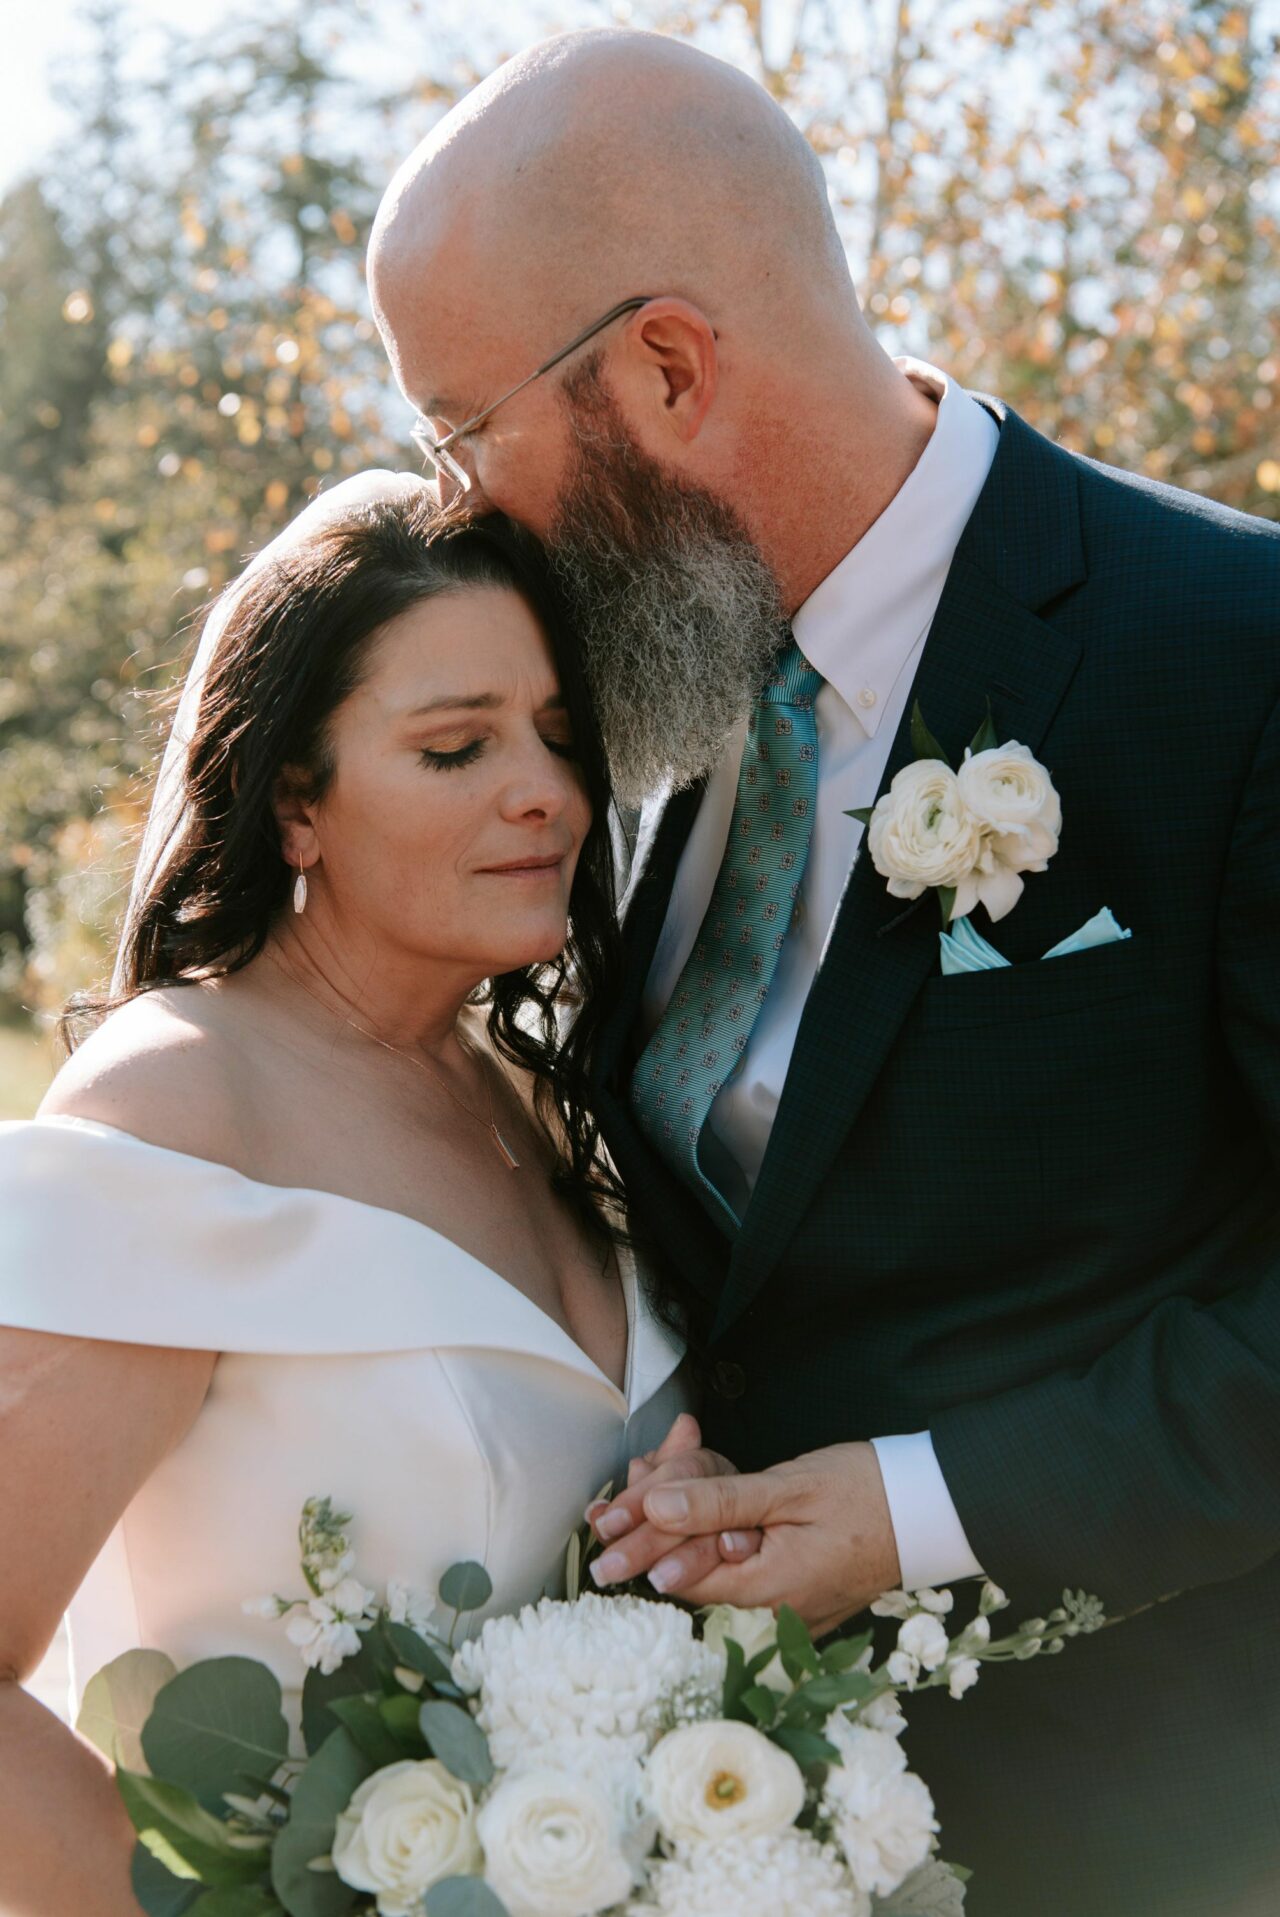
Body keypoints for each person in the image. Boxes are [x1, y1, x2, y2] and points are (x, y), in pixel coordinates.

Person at [365, 28, 1280, 1916]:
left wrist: (923, 1504)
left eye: (462, 432)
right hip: (705, 1824)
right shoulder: (614, 694)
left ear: (669, 367)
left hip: (1159, 1826)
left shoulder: (1237, 660)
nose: (448, 508)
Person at [0, 483, 701, 1916]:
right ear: (297, 801)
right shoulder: (184, 1099)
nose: (548, 794)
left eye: (561, 739)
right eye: (457, 746)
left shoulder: (542, 1102)